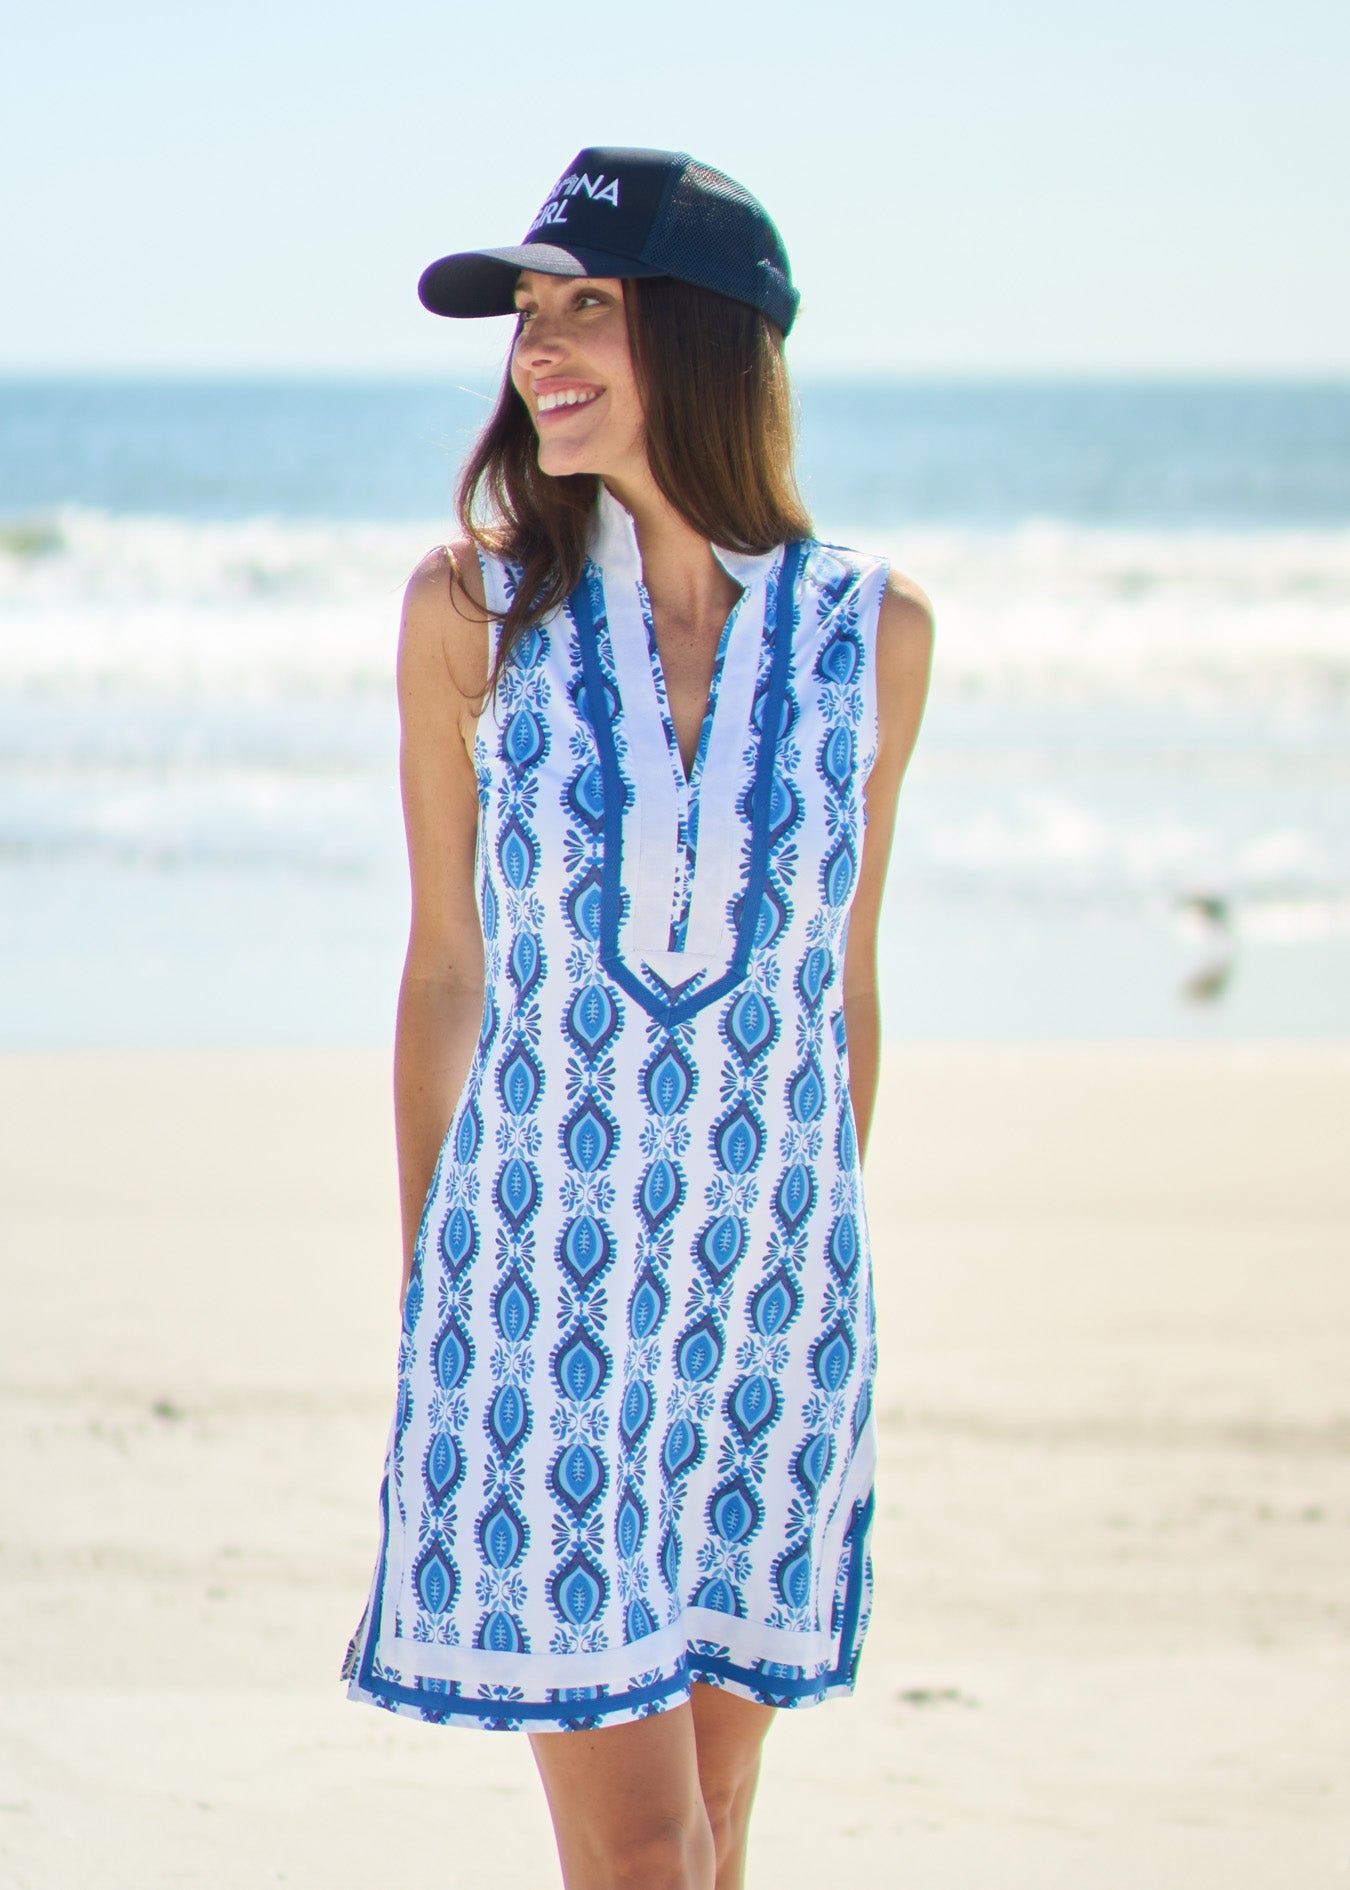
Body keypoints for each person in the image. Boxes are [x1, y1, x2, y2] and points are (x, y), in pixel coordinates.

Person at [343, 147, 933, 1890]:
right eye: (528, 313)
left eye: (585, 302)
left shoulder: (874, 635)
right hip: (533, 1306)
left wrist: (818, 1260)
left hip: (770, 1308)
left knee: (721, 1828)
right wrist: (434, 1290)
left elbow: (843, 986)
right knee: (650, 1854)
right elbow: (445, 967)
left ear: (713, 333)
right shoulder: (468, 612)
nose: (539, 345)